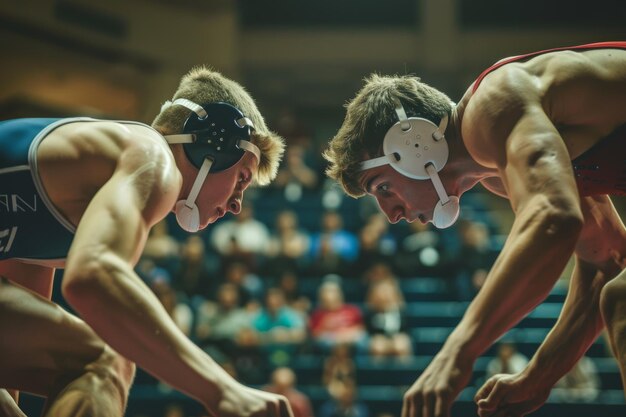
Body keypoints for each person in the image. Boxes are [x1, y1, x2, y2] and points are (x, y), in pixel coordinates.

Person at [323, 41, 626, 417]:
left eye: (383, 188)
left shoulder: (493, 103)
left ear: (413, 143)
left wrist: (458, 351)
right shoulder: (498, 175)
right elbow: (606, 259)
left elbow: (554, 218)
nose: (392, 215)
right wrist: (540, 374)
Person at [0, 66, 294, 417]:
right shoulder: (151, 157)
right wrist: (222, 390)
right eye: (242, 178)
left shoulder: (82, 195)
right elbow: (91, 278)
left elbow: (13, 350)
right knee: (107, 362)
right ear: (212, 143)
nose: (236, 205)